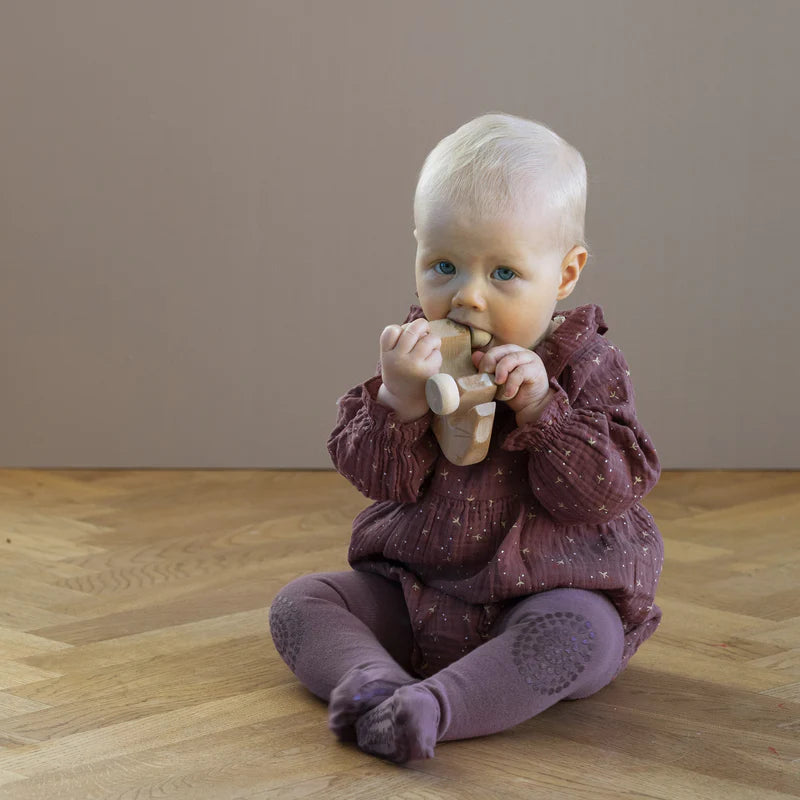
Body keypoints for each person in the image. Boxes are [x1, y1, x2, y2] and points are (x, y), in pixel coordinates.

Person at [269, 112, 663, 763]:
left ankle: (437, 707)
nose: (466, 298)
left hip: (543, 597)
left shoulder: (585, 366)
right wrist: (396, 398)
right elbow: (374, 477)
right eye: (444, 266)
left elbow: (605, 494)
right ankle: (375, 684)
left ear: (565, 275)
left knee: (583, 634)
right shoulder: (417, 356)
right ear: (417, 251)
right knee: (301, 604)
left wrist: (543, 410)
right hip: (419, 592)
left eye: (503, 274)